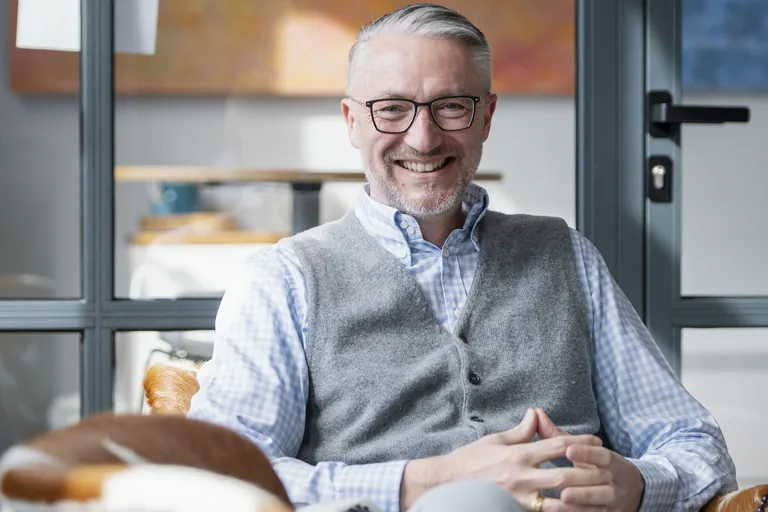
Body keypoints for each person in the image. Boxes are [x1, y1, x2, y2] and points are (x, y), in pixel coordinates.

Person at [187, 3, 738, 511]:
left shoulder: (566, 255)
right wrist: (424, 481)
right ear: (352, 121)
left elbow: (696, 447)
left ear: (486, 117)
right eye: (392, 109)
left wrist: (635, 485)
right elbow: (222, 477)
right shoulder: (282, 280)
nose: (423, 139)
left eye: (451, 106)